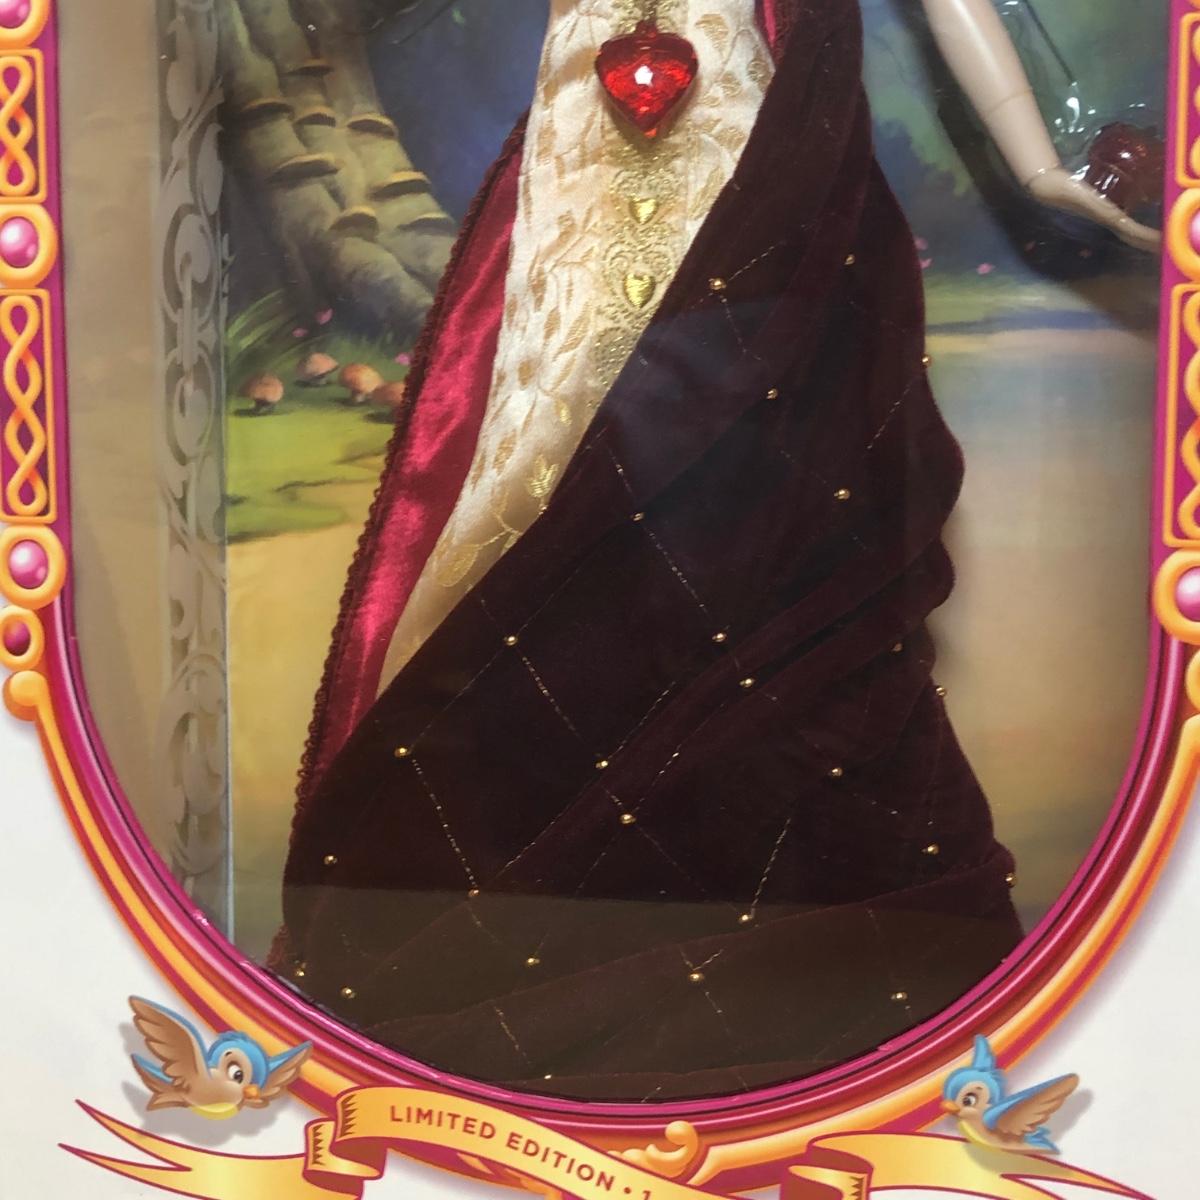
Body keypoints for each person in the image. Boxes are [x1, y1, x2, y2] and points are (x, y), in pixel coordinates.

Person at [270, 0, 1158, 1100]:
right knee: (536, 485)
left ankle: (712, 902)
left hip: (744, 158)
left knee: (748, 522)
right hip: (576, 178)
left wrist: (1036, 160)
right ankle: (532, 892)